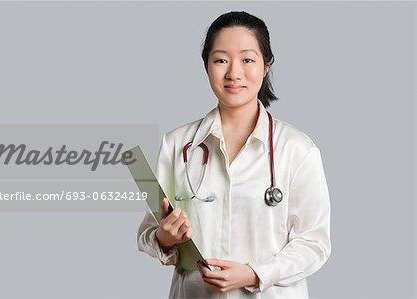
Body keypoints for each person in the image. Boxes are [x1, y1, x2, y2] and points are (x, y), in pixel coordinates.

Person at [137, 11, 331, 298]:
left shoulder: (297, 149)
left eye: (248, 59)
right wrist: (164, 239)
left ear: (266, 65)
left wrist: (255, 273)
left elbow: (315, 243)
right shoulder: (176, 145)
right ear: (206, 67)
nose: (233, 73)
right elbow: (148, 233)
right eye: (221, 60)